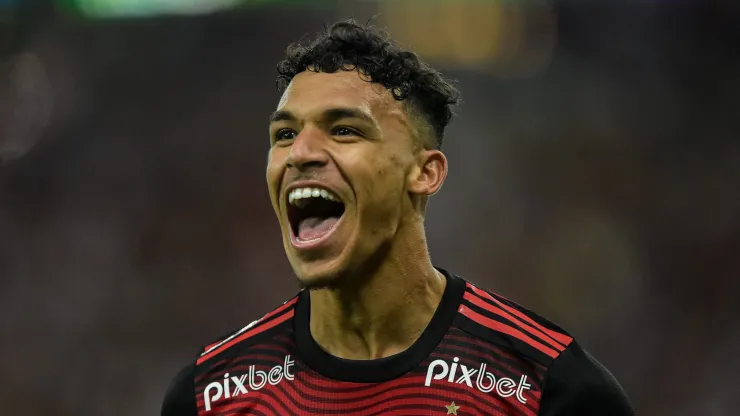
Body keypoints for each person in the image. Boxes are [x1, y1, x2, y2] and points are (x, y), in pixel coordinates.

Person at [161, 20, 634, 416]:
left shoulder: (547, 388)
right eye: (284, 134)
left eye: (344, 130)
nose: (299, 153)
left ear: (425, 173)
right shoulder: (210, 396)